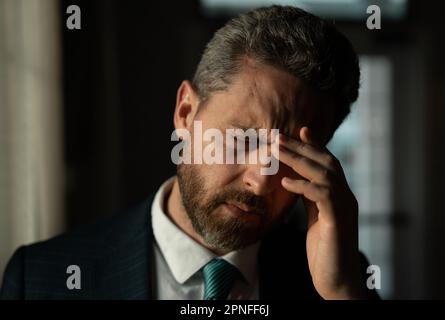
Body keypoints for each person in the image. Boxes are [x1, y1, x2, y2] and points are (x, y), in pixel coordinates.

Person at [1, 5, 379, 300]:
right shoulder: (40, 277)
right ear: (185, 113)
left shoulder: (340, 281)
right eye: (242, 138)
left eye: (293, 153)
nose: (261, 180)